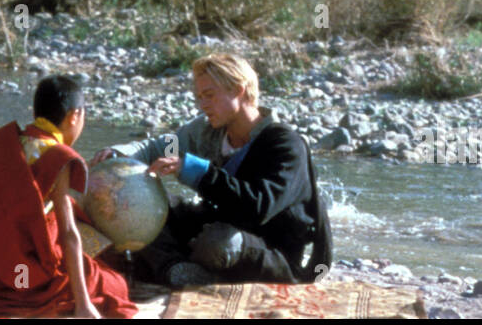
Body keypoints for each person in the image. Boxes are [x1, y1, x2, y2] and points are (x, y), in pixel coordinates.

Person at [94, 53, 331, 287]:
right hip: (216, 225)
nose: (203, 105)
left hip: (269, 248)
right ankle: (176, 269)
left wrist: (197, 172)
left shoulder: (285, 145)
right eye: (199, 97)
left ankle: (181, 269)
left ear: (239, 90)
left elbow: (258, 208)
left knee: (217, 243)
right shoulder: (207, 131)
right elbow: (159, 148)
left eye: (209, 95)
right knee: (145, 206)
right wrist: (118, 154)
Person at [0, 75, 137, 318]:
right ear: (74, 116)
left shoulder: (0, 143)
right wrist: (83, 304)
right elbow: (68, 232)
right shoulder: (57, 156)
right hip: (23, 279)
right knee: (113, 283)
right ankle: (32, 293)